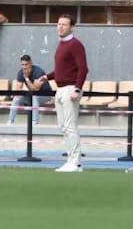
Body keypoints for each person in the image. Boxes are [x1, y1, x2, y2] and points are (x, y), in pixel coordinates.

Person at [35, 14, 89, 172]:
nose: (60, 27)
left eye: (64, 24)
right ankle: (70, 159)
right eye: (59, 24)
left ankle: (76, 162)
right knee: (63, 127)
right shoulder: (62, 45)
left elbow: (83, 69)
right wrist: (46, 77)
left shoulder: (75, 45)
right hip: (60, 89)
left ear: (72, 27)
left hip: (70, 89)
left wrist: (77, 89)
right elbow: (61, 70)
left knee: (70, 126)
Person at [9, 54, 52, 124]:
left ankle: (35, 121)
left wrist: (26, 78)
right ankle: (10, 121)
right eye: (22, 65)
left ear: (31, 63)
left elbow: (35, 90)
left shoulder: (39, 72)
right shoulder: (21, 72)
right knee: (16, 98)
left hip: (46, 95)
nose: (24, 67)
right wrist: (20, 94)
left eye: (26, 64)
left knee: (34, 97)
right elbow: (18, 90)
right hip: (32, 95)